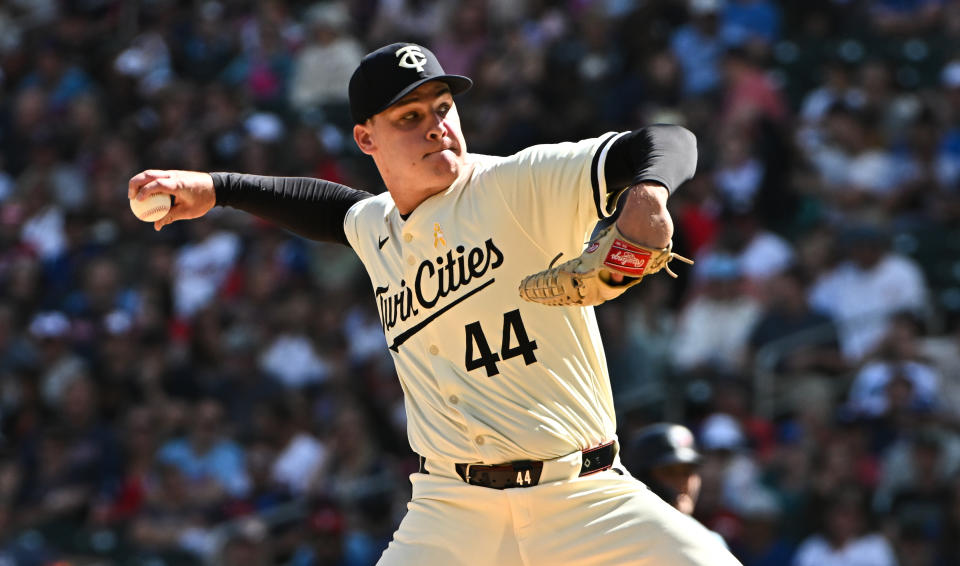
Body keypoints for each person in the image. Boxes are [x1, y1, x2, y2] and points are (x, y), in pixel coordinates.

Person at [128, 42, 741, 565]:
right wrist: (219, 189)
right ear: (366, 138)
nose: (436, 126)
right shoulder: (376, 226)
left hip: (581, 497)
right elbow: (324, 207)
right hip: (452, 512)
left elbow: (668, 140)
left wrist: (650, 196)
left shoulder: (515, 186)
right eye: (410, 116)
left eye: (443, 109)